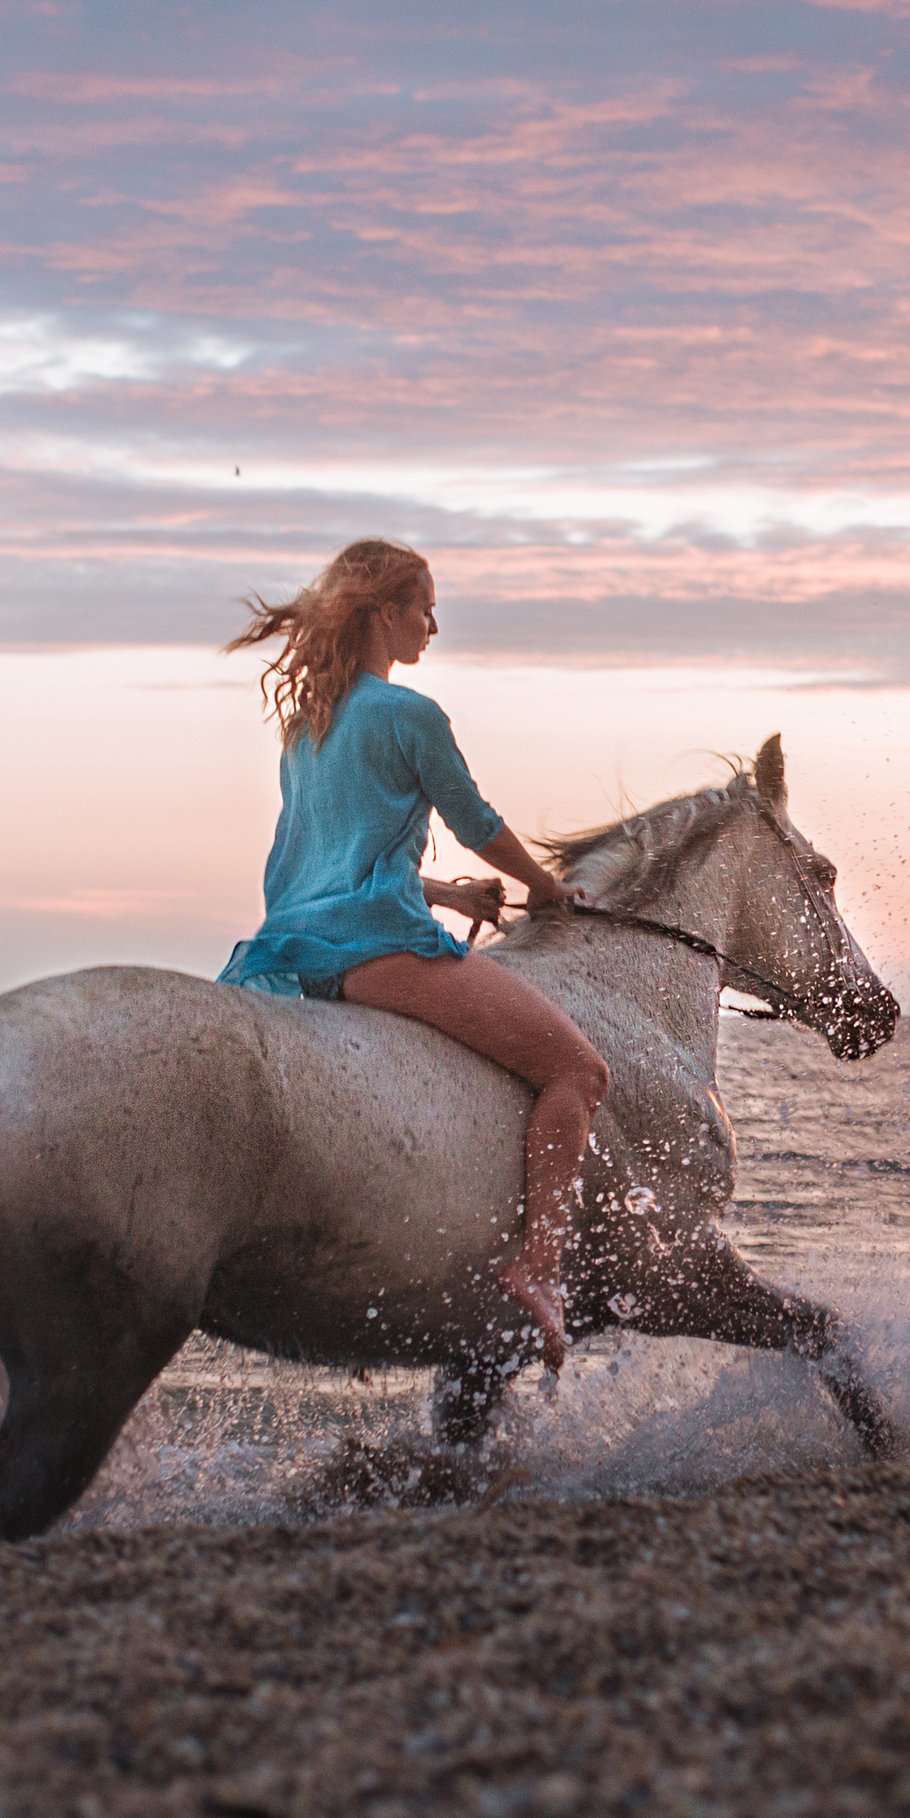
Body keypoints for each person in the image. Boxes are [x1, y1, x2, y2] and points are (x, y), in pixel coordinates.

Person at [219, 538, 611, 1366]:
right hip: (379, 951)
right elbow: (476, 822)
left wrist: (451, 896)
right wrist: (542, 886)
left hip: (291, 951)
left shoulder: (307, 724)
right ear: (384, 614)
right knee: (578, 1072)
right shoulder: (411, 715)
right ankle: (538, 1268)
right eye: (424, 607)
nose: (433, 624)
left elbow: (327, 863)